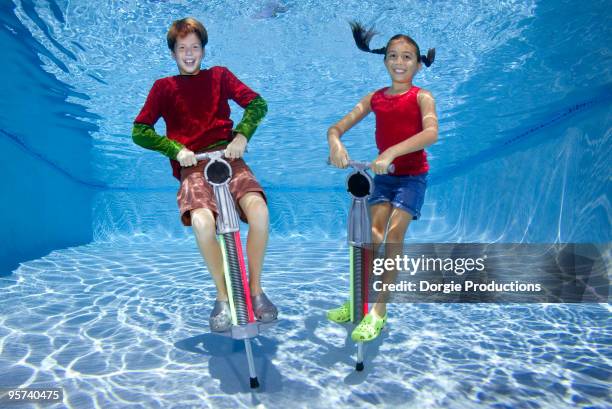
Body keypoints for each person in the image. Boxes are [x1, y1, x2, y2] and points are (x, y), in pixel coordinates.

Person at [132, 17, 277, 332]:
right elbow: (140, 131)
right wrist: (174, 149)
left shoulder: (220, 76)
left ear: (203, 49)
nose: (189, 53)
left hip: (228, 156)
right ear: (173, 53)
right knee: (202, 223)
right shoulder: (163, 88)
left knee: (260, 213)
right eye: (182, 48)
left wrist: (241, 136)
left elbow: (257, 104)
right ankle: (223, 296)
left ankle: (255, 289)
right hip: (192, 166)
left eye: (194, 47)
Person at [326, 22, 438, 342]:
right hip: (384, 179)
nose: (399, 62)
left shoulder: (422, 97)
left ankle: (379, 310)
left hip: (412, 179)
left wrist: (390, 152)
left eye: (407, 57)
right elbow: (335, 128)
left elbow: (431, 133)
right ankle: (357, 300)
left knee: (393, 235)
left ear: (418, 64)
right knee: (369, 237)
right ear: (384, 60)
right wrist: (336, 145)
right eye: (393, 56)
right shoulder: (374, 98)